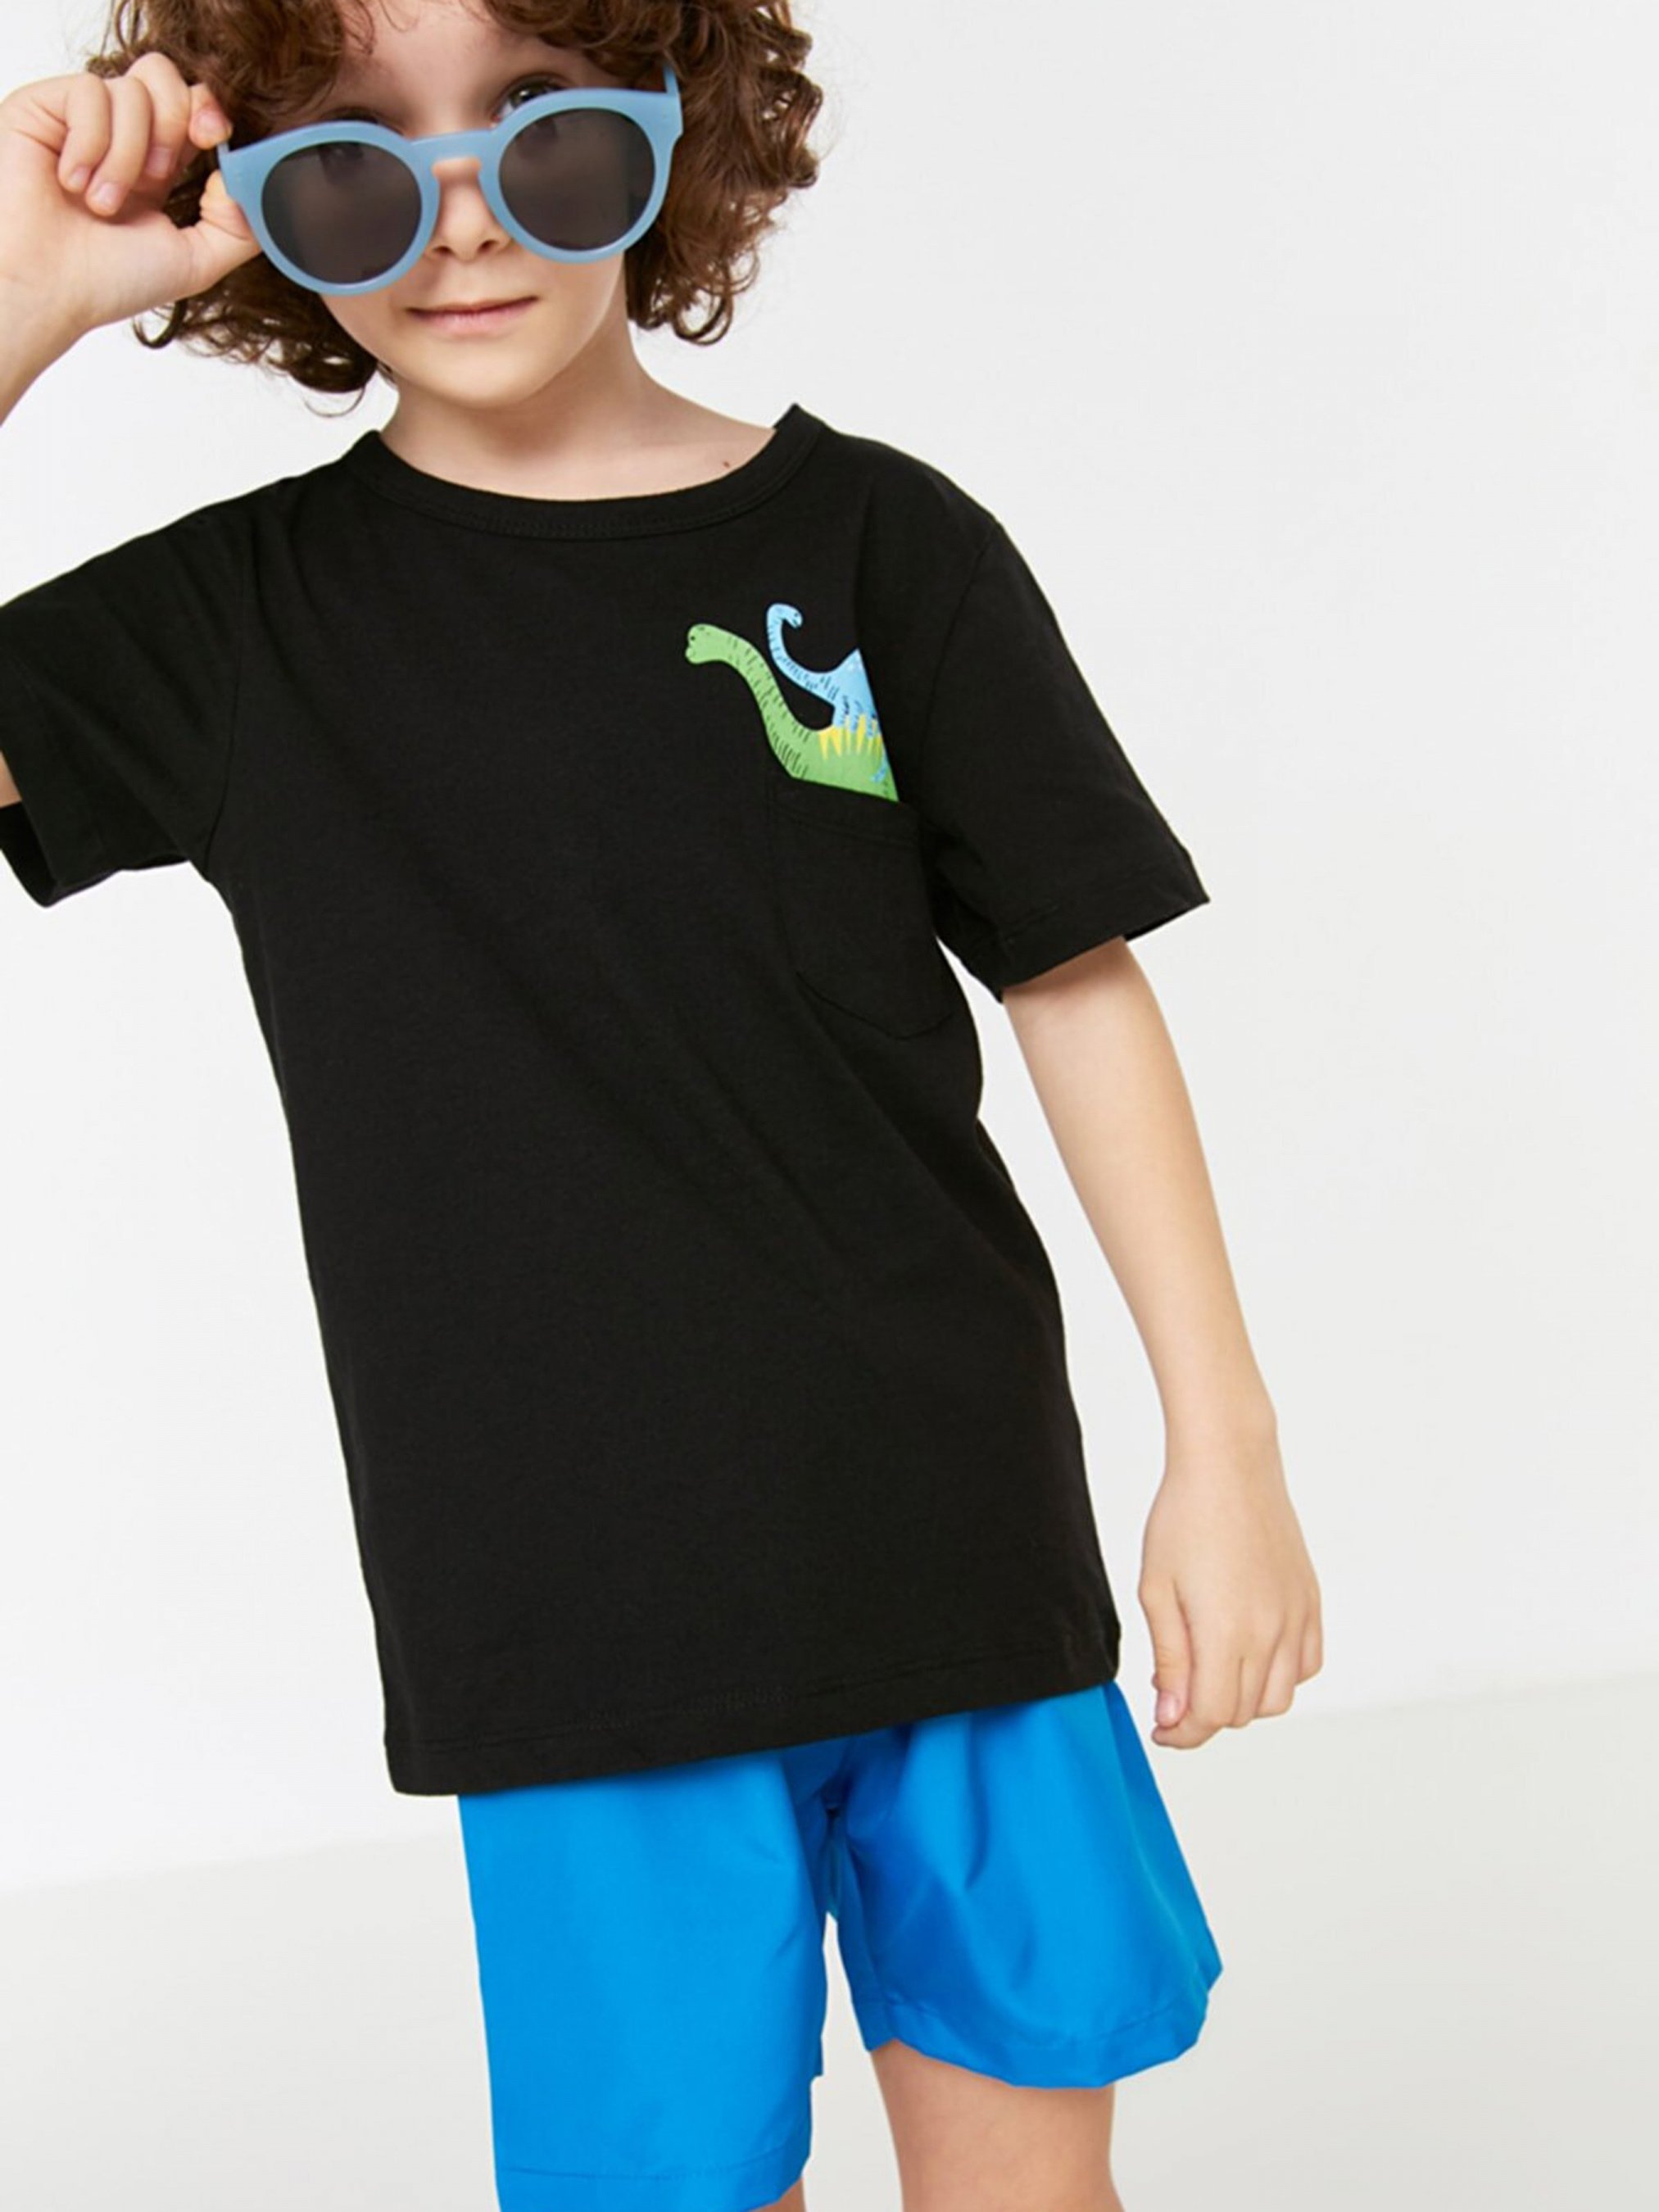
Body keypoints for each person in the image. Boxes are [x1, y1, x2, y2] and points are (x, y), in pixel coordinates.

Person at [0, 4, 1322, 2208]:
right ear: (251, 207)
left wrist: (1227, 1444)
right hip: (576, 1627)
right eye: (352, 166)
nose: (460, 221)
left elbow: (1071, 978)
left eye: (546, 137)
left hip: (961, 1551)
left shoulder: (884, 544)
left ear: (676, 131)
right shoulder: (238, 627)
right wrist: (25, 293)